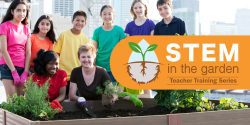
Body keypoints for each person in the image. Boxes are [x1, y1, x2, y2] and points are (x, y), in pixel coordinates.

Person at [53, 10, 89, 96]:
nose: (79, 22)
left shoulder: (85, 39)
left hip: (77, 75)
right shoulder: (63, 35)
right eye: (77, 20)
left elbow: (86, 58)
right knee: (61, 99)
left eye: (82, 21)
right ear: (72, 21)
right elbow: (56, 53)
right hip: (62, 74)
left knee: (74, 100)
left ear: (85, 23)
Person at [0, 0, 31, 96]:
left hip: (22, 68)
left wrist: (25, 72)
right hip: (7, 67)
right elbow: (3, 50)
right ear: (12, 11)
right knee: (12, 101)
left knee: (21, 101)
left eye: (24, 11)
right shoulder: (4, 26)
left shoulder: (26, 28)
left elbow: (28, 52)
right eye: (18, 10)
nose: (21, 13)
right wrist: (13, 71)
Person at [92, 5, 126, 82]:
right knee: (100, 91)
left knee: (113, 92)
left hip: (115, 67)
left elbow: (123, 50)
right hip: (100, 66)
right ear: (101, 15)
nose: (107, 16)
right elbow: (93, 50)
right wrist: (92, 66)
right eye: (104, 14)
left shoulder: (119, 30)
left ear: (113, 15)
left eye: (110, 14)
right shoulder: (97, 31)